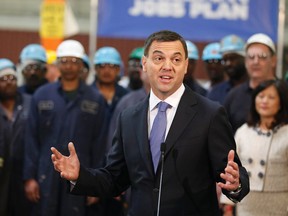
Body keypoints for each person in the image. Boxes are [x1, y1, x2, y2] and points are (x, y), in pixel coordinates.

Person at [51, 30, 249, 216]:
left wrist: (236, 183)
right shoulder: (129, 118)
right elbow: (114, 179)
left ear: (186, 66)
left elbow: (232, 174)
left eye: (176, 59)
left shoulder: (211, 114)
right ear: (145, 64)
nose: (167, 66)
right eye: (159, 58)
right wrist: (80, 175)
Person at [23, 40, 109, 216]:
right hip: (45, 173)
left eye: (74, 61)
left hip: (81, 173)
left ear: (82, 66)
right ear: (57, 64)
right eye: (64, 61)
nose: (69, 66)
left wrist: (95, 182)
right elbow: (31, 139)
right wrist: (29, 177)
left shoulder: (95, 99)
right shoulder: (42, 95)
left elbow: (100, 144)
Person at [234, 79, 288, 215]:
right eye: (261, 96)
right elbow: (233, 169)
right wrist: (228, 205)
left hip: (279, 203)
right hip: (246, 202)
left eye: (271, 97)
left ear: (281, 103)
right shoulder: (243, 131)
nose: (264, 101)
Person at [224, 33, 277, 132]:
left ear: (273, 60)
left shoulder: (284, 93)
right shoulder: (233, 96)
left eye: (262, 56)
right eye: (251, 57)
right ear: (245, 62)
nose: (256, 62)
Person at [0, 58, 32, 216]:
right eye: (3, 79)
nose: (9, 82)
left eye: (12, 78)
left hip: (23, 173)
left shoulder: (29, 103)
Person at [206, 34, 248, 105]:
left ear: (244, 59)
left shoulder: (256, 90)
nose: (228, 63)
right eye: (225, 60)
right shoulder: (215, 92)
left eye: (233, 58)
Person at [92, 46, 129, 115]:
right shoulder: (86, 94)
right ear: (96, 69)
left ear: (118, 69)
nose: (107, 71)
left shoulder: (126, 96)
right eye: (102, 66)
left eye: (111, 66)